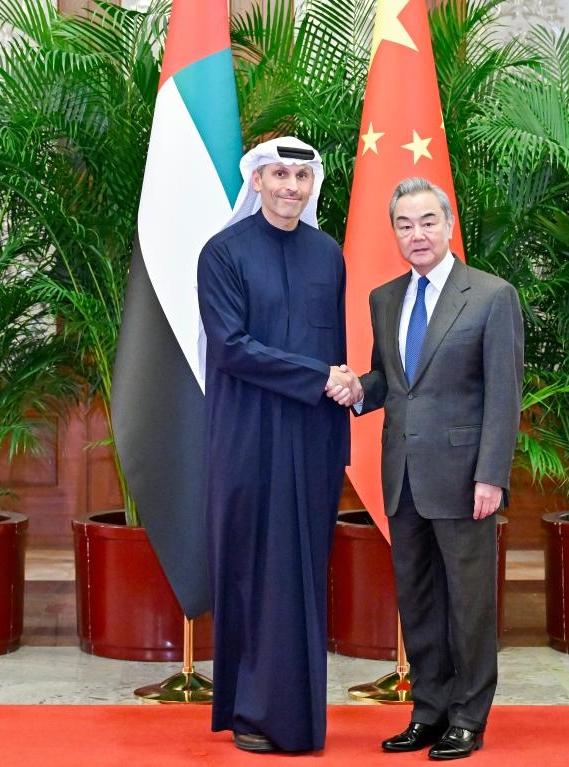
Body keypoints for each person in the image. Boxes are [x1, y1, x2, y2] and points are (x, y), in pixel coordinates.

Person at [331, 177, 523, 760]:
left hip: (466, 480)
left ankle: (469, 716)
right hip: (402, 477)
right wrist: (354, 390)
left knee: (468, 604)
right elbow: (390, 381)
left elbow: (504, 394)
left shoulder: (491, 296)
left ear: (448, 225)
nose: (416, 235)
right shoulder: (385, 297)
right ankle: (429, 712)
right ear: (394, 233)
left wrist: (491, 474)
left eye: (427, 222)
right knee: (417, 602)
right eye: (405, 225)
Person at [197, 136, 362, 754]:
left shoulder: (328, 255)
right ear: (258, 181)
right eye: (280, 175)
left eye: (302, 176)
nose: (292, 186)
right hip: (245, 436)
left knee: (300, 573)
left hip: (313, 442)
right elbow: (232, 347)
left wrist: (341, 390)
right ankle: (249, 711)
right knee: (250, 568)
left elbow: (337, 351)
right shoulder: (223, 253)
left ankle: (295, 713)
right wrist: (319, 378)